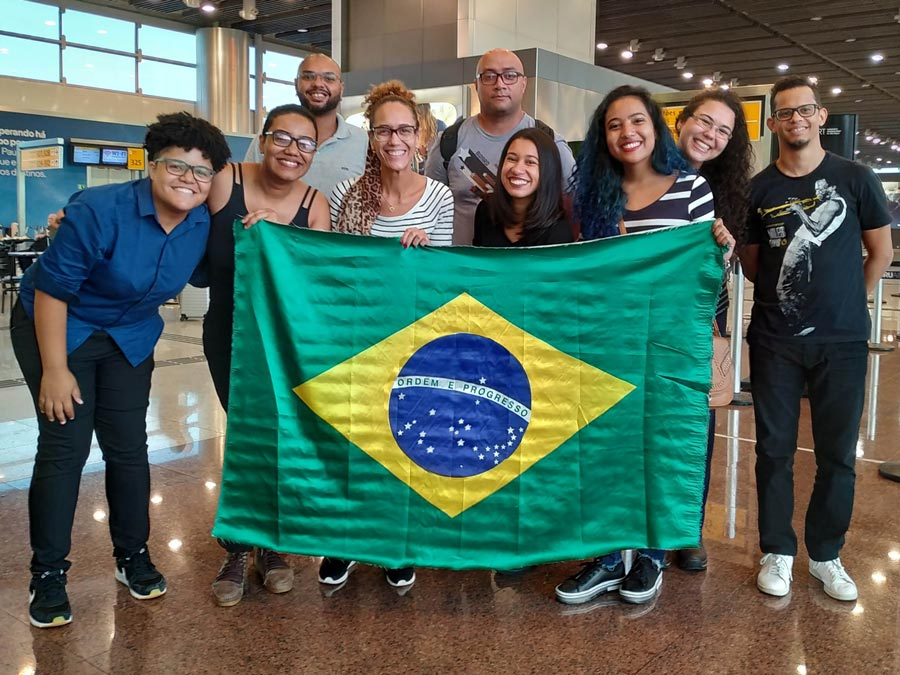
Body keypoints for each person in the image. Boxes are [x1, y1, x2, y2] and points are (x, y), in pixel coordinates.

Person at [10, 112, 231, 628]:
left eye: (202, 172)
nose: (188, 179)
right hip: (63, 325)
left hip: (129, 337)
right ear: (152, 165)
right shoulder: (98, 210)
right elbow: (51, 290)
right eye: (177, 165)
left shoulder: (201, 224)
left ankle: (132, 556)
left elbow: (221, 263)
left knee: (128, 446)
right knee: (65, 448)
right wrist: (55, 369)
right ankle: (48, 574)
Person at [554, 85, 733, 607]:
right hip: (607, 342)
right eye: (613, 125)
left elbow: (703, 279)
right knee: (605, 446)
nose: (627, 133)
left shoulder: (692, 188)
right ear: (603, 137)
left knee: (662, 445)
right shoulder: (592, 196)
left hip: (668, 343)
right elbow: (583, 274)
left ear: (656, 129)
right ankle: (610, 555)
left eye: (636, 122)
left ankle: (652, 555)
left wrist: (719, 251)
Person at [739, 75, 892, 602]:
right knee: (773, 451)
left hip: (843, 343)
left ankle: (826, 554)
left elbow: (880, 254)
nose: (795, 120)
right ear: (773, 122)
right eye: (785, 113)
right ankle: (778, 550)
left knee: (837, 455)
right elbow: (754, 264)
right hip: (775, 341)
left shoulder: (856, 178)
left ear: (821, 115)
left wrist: (847, 302)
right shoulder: (759, 189)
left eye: (804, 110)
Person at [326, 80, 454, 589]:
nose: (394, 139)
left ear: (420, 136)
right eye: (384, 130)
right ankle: (348, 541)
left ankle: (397, 543)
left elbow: (444, 284)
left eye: (404, 129)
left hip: (413, 342)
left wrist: (425, 256)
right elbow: (335, 270)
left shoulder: (439, 197)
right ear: (371, 136)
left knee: (400, 445)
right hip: (358, 335)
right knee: (353, 445)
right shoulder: (346, 195)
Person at [204, 104, 332, 607]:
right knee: (244, 436)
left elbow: (315, 278)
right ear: (261, 139)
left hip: (283, 337)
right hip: (230, 331)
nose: (292, 150)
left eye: (304, 143)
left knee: (277, 439)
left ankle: (271, 547)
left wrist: (285, 231)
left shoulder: (313, 204)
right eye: (282, 138)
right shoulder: (224, 180)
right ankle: (238, 546)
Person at [671, 89, 753, 572]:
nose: (711, 136)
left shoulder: (727, 192)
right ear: (682, 121)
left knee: (695, 426)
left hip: (702, 317)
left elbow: (724, 267)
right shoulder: (644, 172)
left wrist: (724, 254)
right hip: (643, 316)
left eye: (724, 131)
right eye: (705, 122)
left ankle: (687, 529)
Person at [424, 48, 575, 245]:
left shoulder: (550, 144)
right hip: (462, 269)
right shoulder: (449, 141)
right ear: (476, 85)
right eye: (489, 76)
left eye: (510, 76)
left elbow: (577, 204)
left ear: (523, 84)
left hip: (533, 268)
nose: (500, 84)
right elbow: (428, 207)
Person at [244, 53, 367, 198]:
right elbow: (247, 185)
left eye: (329, 78)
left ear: (341, 88)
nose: (318, 84)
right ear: (296, 84)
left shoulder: (363, 142)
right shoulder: (274, 136)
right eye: (308, 77)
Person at [473, 127, 573, 247]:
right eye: (511, 159)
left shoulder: (559, 233)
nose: (517, 169)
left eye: (530, 162)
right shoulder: (486, 211)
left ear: (548, 171)